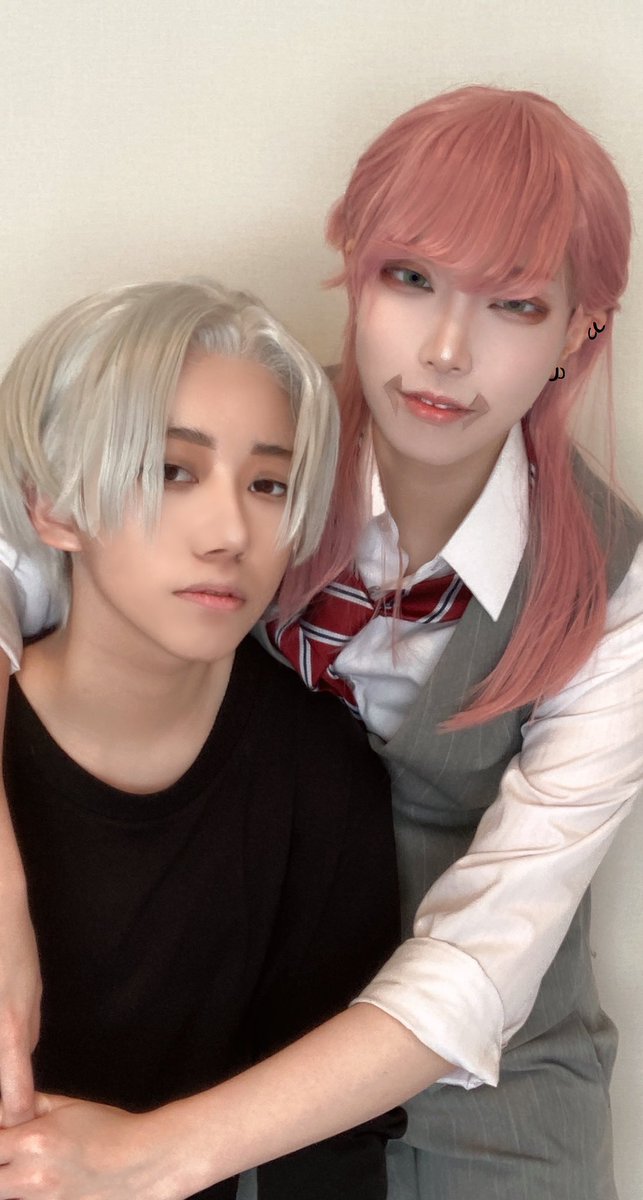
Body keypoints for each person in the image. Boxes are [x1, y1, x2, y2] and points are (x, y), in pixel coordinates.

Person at [0, 84, 640, 1200]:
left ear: (579, 331)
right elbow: (22, 537)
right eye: (410, 279)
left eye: (513, 304)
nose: (446, 350)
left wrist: (154, 1159)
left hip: (487, 1062)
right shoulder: (234, 438)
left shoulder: (617, 585)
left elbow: (482, 958)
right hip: (204, 1004)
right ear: (351, 261)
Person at [0, 277, 404, 1200]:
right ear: (52, 507)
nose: (229, 532)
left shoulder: (320, 775)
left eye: (269, 484)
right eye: (172, 470)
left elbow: (333, 1140)